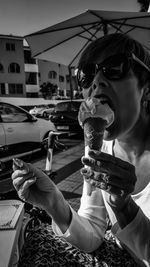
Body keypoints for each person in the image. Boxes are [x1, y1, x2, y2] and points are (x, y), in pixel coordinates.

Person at [12, 33, 150, 267]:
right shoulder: (101, 148)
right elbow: (94, 234)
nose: (96, 81)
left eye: (114, 67)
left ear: (147, 89)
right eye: (85, 75)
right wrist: (54, 203)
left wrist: (125, 208)